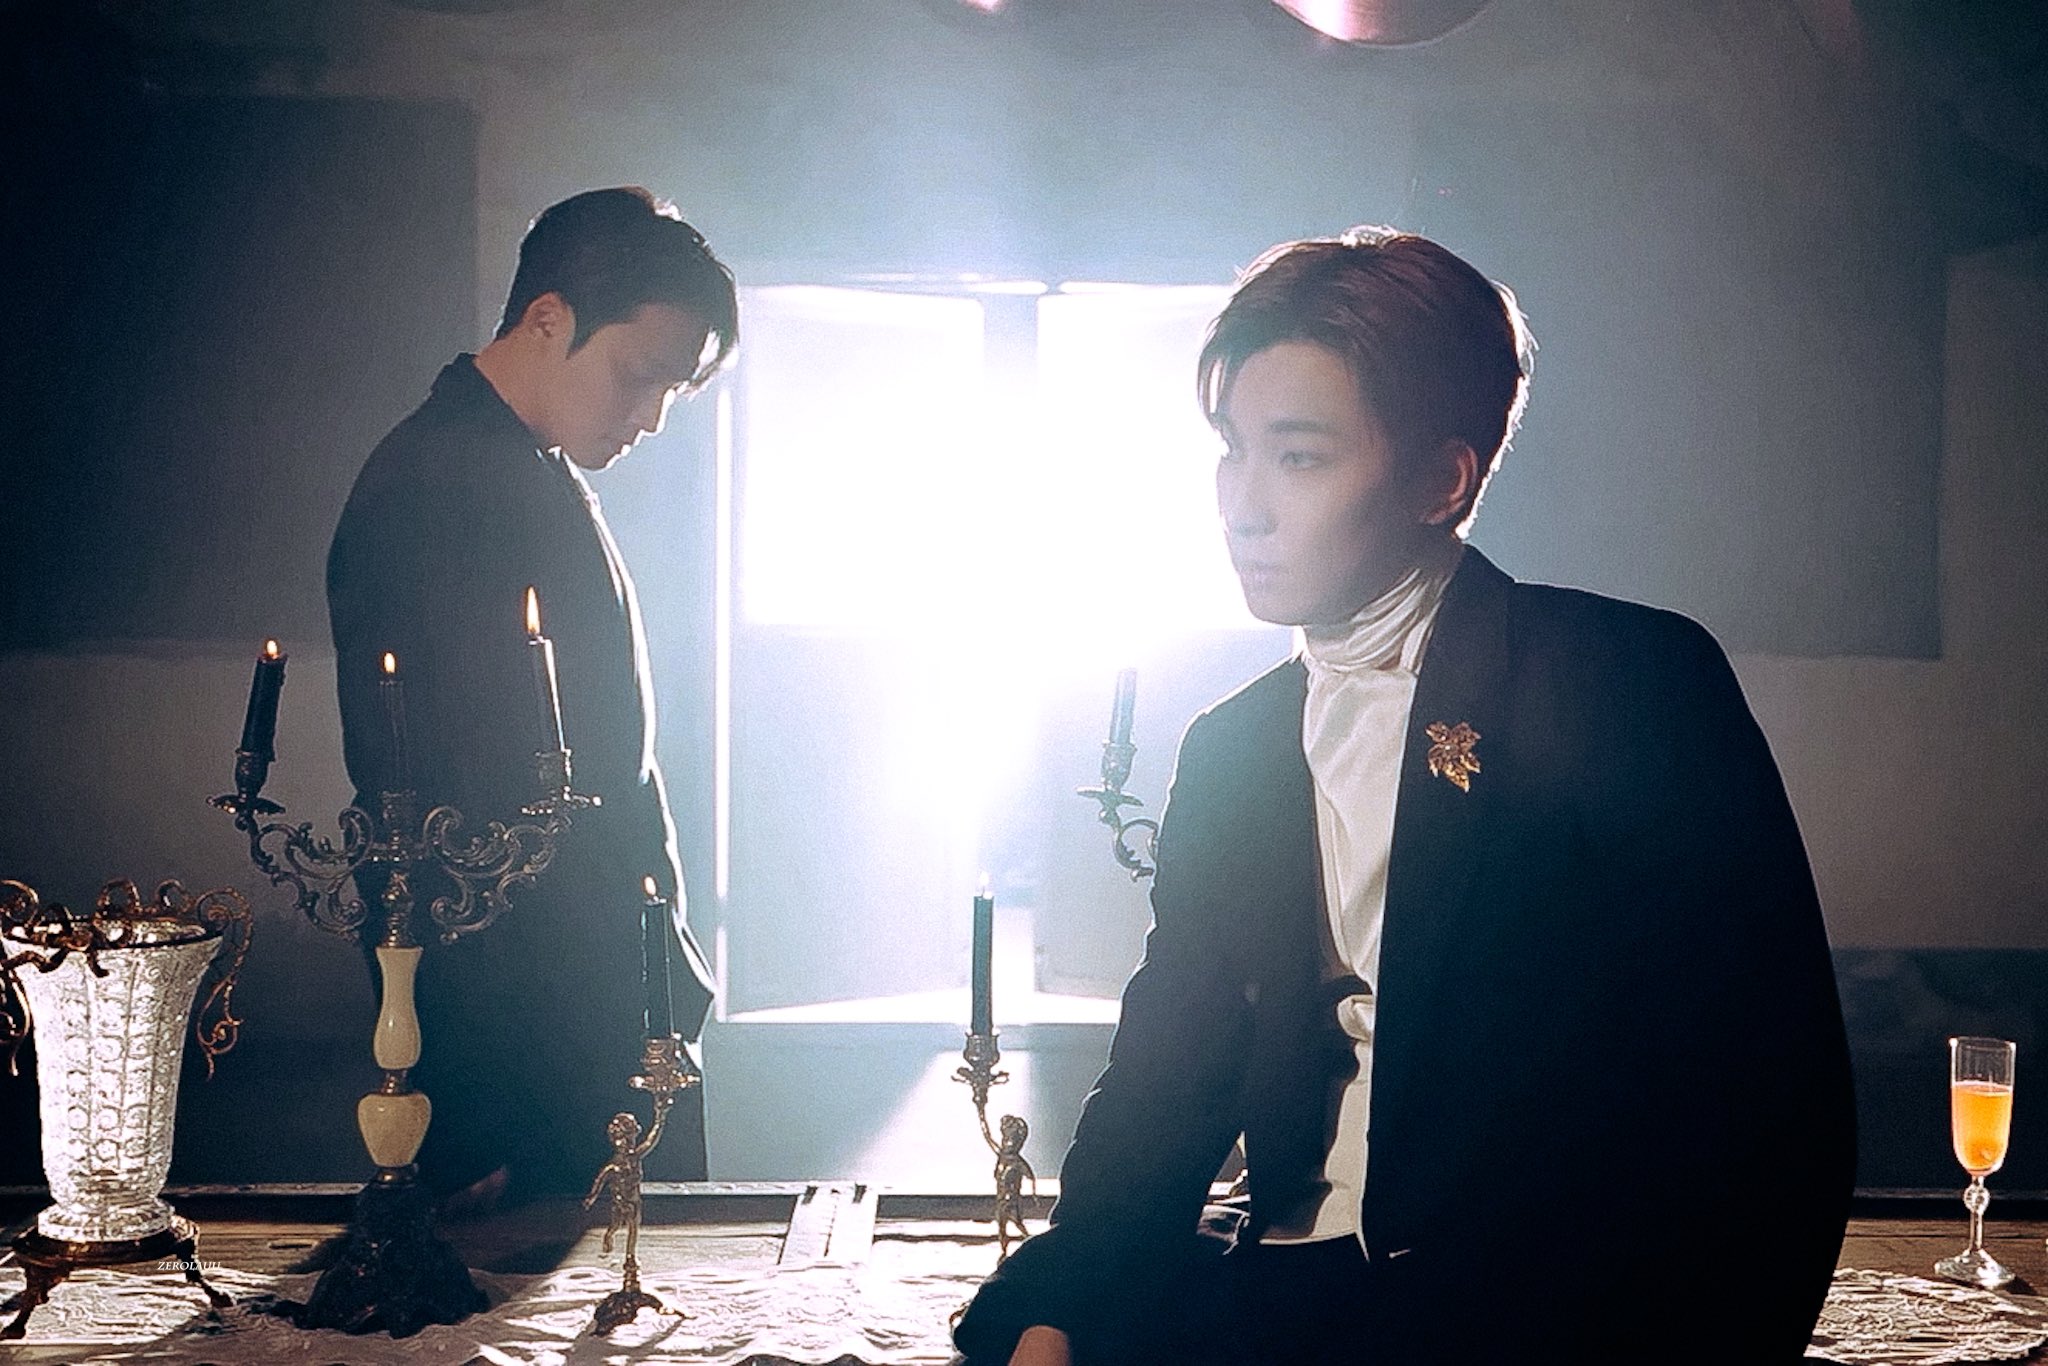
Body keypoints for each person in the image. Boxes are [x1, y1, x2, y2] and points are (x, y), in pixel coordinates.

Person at [953, 229, 1856, 1364]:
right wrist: (1059, 1307)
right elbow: (1168, 1072)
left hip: (1549, 1317)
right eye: (1232, 450)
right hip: (1283, 1295)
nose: (1241, 505)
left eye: (1298, 457)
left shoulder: (1621, 680)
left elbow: (1773, 1094)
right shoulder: (1233, 745)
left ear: (1442, 480)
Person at [326, 187, 735, 1205]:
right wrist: (484, 1109)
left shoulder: (513, 464)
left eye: (674, 393)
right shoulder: (438, 485)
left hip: (593, 1005)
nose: (651, 418)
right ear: (548, 318)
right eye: (639, 377)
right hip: (532, 1050)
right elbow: (437, 819)